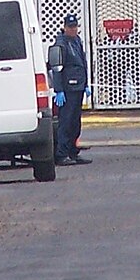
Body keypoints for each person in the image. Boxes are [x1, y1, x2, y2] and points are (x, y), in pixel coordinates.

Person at [52, 13, 92, 166]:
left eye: (75, 26)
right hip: (68, 88)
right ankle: (61, 154)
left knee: (75, 123)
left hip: (78, 86)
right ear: (64, 27)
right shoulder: (61, 43)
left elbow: (82, 63)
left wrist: (86, 84)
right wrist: (59, 90)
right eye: (70, 27)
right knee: (66, 122)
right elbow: (57, 67)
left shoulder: (77, 41)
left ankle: (72, 152)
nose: (73, 29)